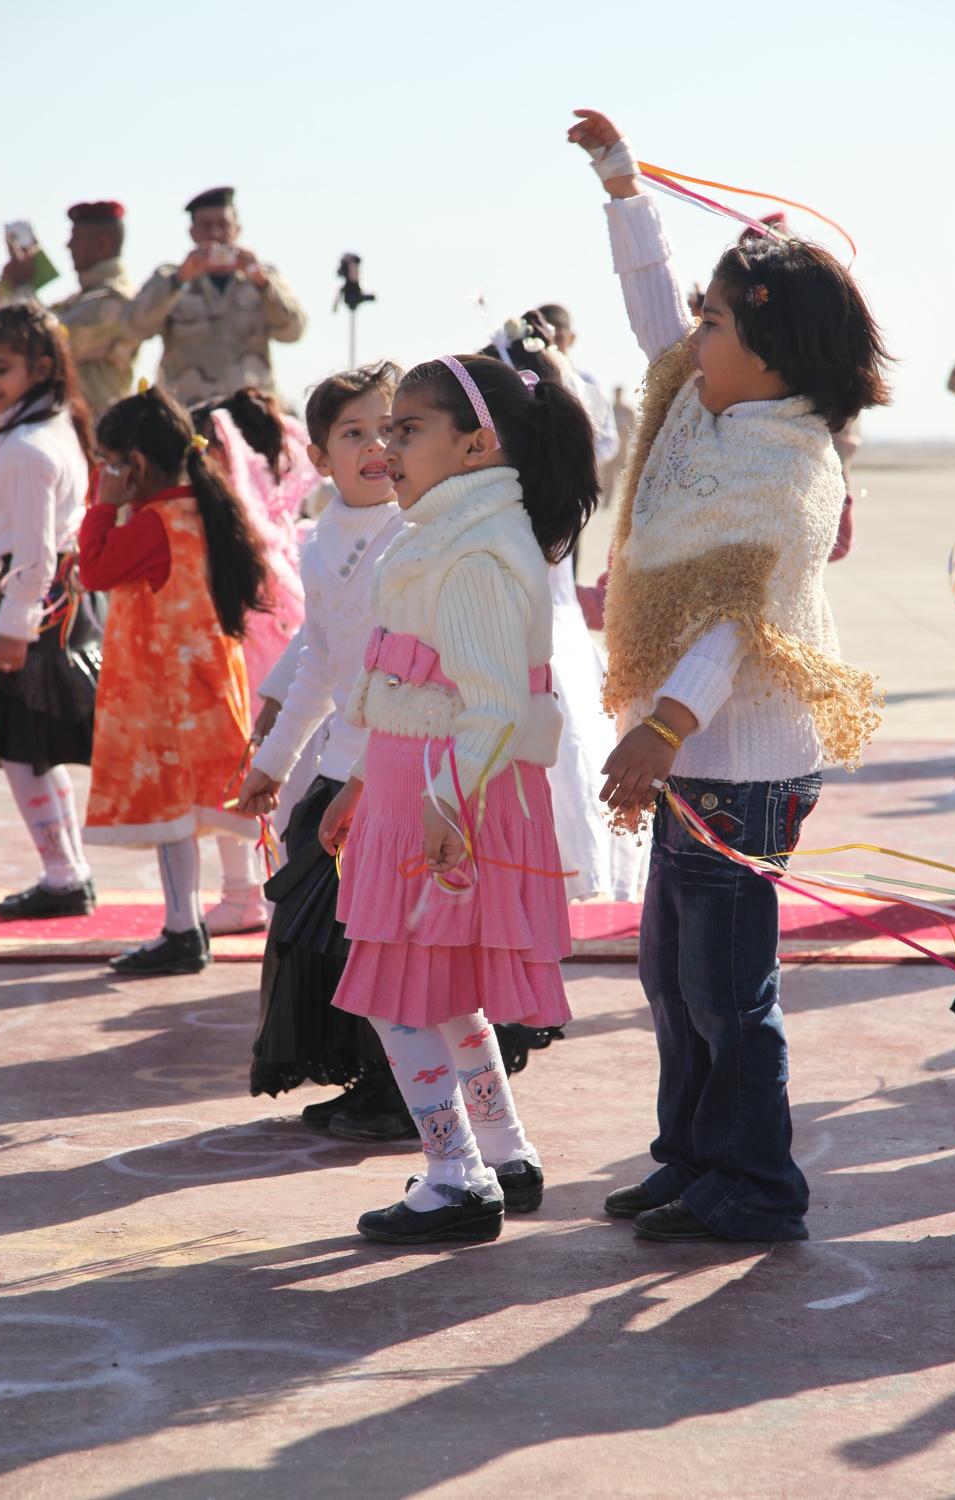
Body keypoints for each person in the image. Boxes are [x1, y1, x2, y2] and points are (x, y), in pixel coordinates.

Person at [569, 108, 888, 1243]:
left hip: (738, 763)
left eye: (715, 320)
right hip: (693, 751)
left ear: (772, 343)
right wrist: (621, 191)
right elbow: (654, 308)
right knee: (669, 977)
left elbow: (736, 617)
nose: (691, 336)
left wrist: (660, 724)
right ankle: (691, 1157)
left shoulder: (790, 456)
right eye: (701, 317)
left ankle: (756, 1186)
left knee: (724, 989)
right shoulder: (705, 406)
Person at [316, 352, 599, 1245]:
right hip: (419, 785)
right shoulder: (449, 533)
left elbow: (489, 703)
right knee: (440, 992)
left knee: (400, 995)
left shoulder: (475, 549)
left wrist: (439, 807)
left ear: (476, 445)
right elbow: (417, 679)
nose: (388, 448)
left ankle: (454, 1175)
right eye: (385, 430)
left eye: (409, 430)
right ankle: (502, 1152)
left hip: (443, 794)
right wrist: (363, 778)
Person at [235, 361, 409, 1133]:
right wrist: (270, 767)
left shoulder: (417, 531)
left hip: (398, 774)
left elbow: (408, 677)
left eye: (393, 429)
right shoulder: (318, 538)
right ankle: (377, 1077)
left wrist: (368, 777)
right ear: (319, 457)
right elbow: (321, 665)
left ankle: (413, 1096)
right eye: (354, 432)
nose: (377, 446)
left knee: (388, 944)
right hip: (341, 768)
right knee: (330, 941)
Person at [79, 385, 268, 976]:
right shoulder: (203, 504)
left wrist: (104, 504)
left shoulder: (156, 522)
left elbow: (94, 569)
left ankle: (181, 929)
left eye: (110, 462)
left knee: (173, 813)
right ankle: (241, 899)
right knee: (214, 798)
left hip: (166, 694)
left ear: (134, 464)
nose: (105, 473)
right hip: (206, 682)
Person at [481, 314, 647, 901]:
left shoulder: (499, 484)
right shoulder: (565, 469)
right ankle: (583, 868)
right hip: (564, 638)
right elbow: (600, 436)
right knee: (574, 746)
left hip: (520, 640)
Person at [0, 305, 99, 918]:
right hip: (61, 595)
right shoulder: (47, 425)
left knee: (22, 745)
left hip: (41, 597)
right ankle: (67, 871)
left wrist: (13, 630)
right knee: (33, 744)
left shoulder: (26, 445)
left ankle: (63, 874)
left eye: (1, 367)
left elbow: (30, 554)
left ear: (42, 367)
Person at [191, 393, 307, 934]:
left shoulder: (238, 509)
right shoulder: (273, 504)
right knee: (252, 768)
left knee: (241, 766)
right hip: (275, 646)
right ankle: (255, 888)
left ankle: (246, 892)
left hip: (251, 654)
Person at [122, 188, 306, 405]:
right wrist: (178, 280)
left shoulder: (263, 278)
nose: (216, 234)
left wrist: (262, 283)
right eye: (206, 226)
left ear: (237, 229)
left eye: (223, 225)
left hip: (251, 414)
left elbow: (293, 331)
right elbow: (132, 327)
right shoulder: (170, 278)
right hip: (189, 414)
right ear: (192, 232)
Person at [0, 202, 141, 420]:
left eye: (76, 237)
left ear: (102, 243)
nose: (68, 245)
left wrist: (22, 288)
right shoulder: (84, 298)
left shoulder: (115, 300)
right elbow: (11, 335)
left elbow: (47, 343)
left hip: (95, 432)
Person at [536, 302, 619, 466]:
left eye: (557, 337)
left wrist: (576, 463)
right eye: (543, 338)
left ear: (571, 338)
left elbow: (608, 440)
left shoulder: (589, 382)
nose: (551, 344)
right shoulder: (525, 380)